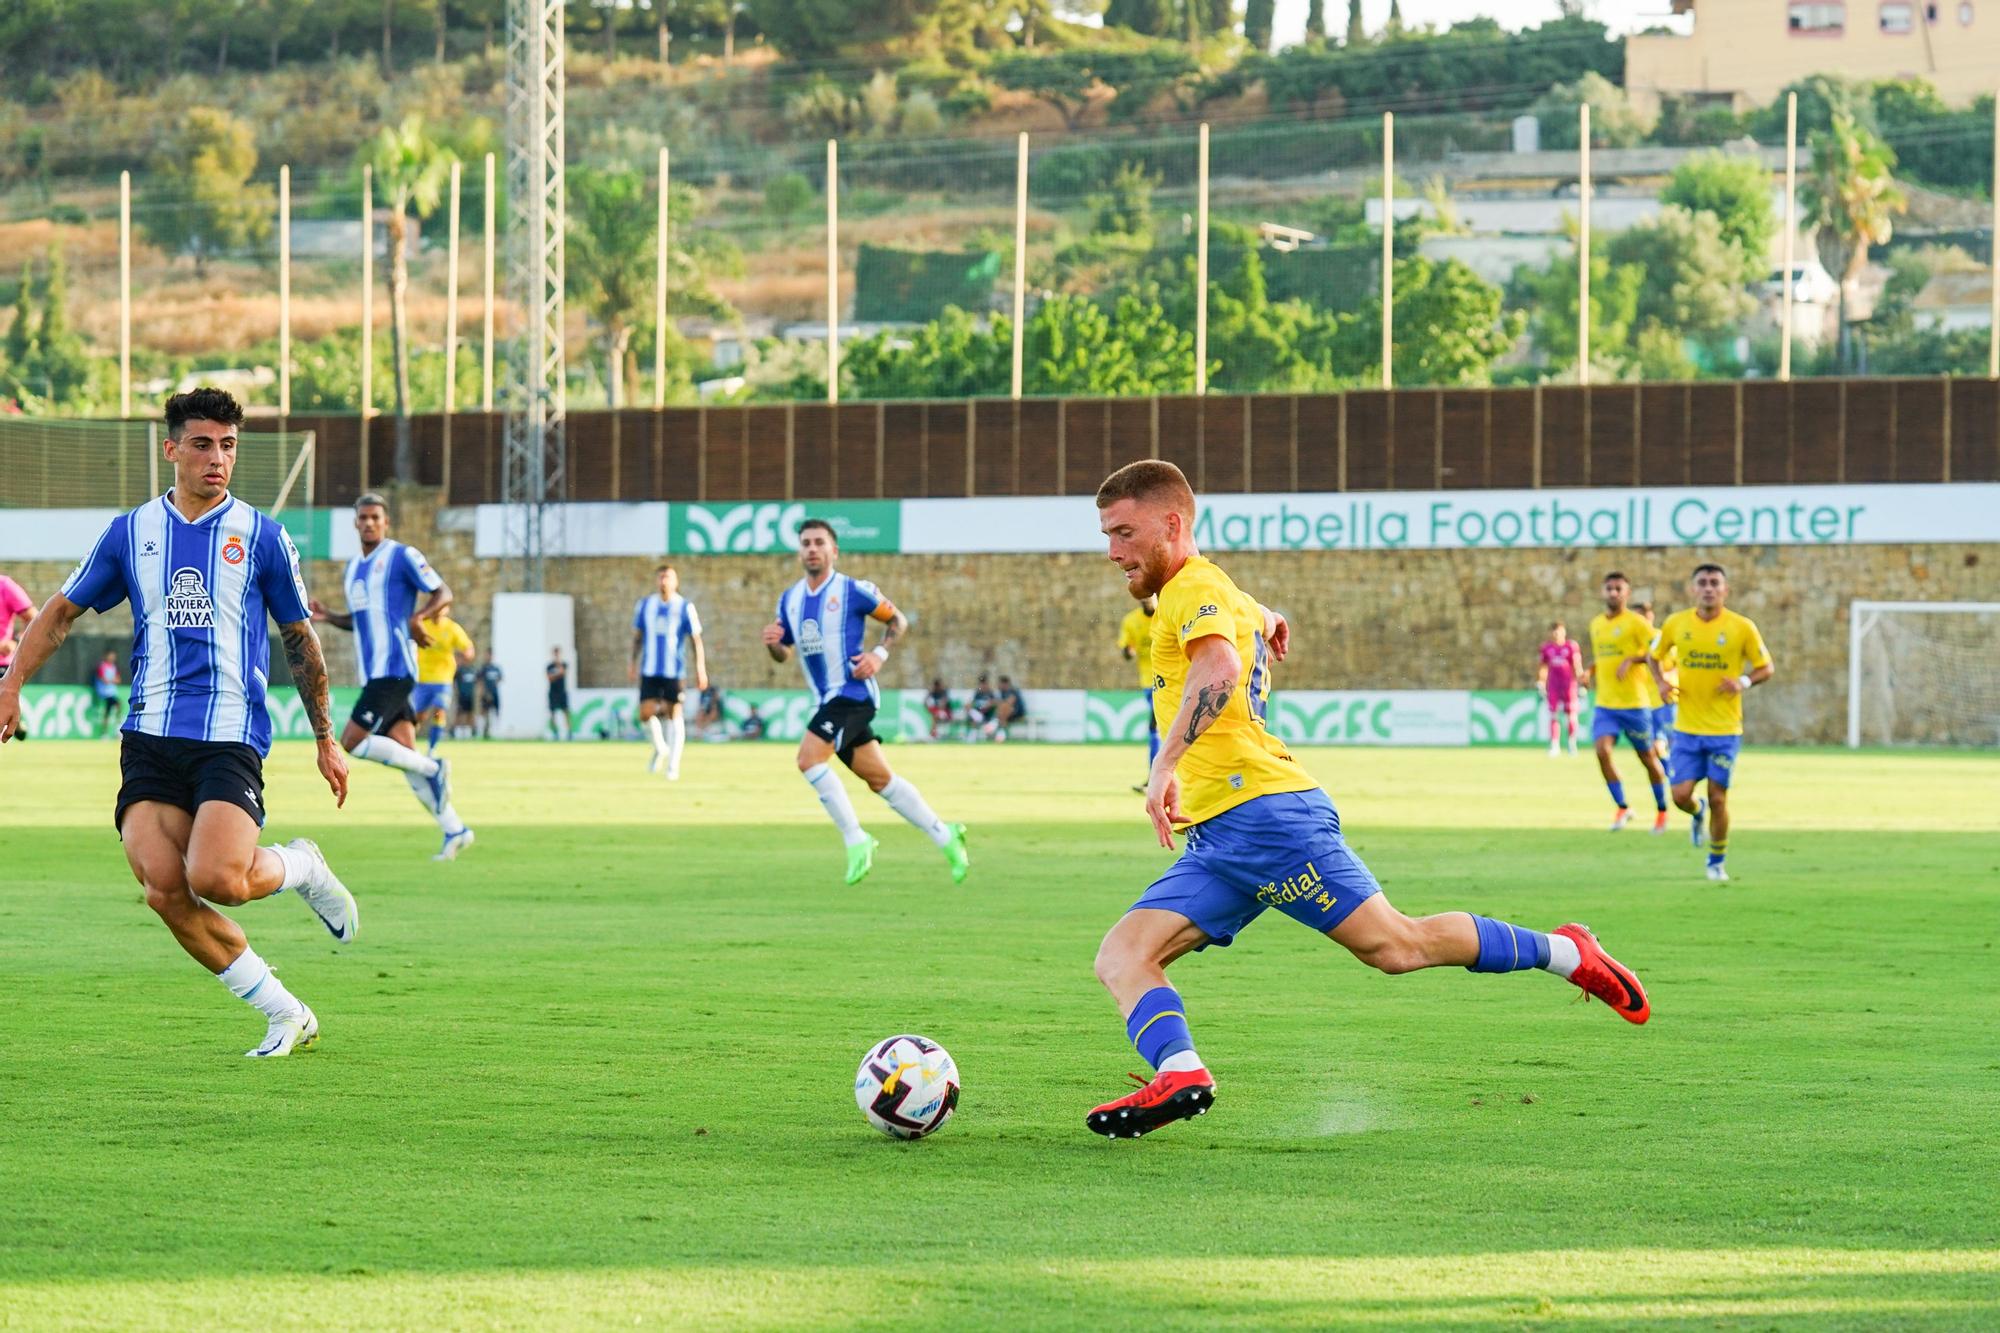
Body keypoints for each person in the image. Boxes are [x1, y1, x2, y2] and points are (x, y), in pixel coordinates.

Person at [1085, 460, 1648, 1140]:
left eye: (1124, 532)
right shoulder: (1211, 586)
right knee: (1122, 954)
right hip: (1221, 834)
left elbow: (1219, 667)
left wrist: (1163, 765)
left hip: (1265, 816)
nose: (1113, 552)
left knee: (1397, 945)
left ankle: (1567, 951)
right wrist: (1270, 617)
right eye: (1108, 535)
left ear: (1172, 524)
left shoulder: (1191, 588)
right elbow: (1247, 617)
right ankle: (1181, 1072)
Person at [0, 388, 357, 1057]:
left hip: (229, 734)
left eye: (227, 445)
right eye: (202, 443)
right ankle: (285, 1012)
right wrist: (11, 682)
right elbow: (60, 612)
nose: (216, 458)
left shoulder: (263, 537)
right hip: (149, 738)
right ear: (171, 450)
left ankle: (301, 866)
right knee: (166, 890)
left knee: (218, 878)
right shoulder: (130, 533)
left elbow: (300, 641)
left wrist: (324, 737)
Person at [763, 517, 970, 886]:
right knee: (880, 780)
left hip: (854, 695)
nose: (812, 549)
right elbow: (784, 654)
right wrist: (773, 644)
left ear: (833, 551)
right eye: (806, 543)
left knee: (807, 759)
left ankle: (857, 838)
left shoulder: (853, 591)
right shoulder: (790, 599)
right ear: (800, 551)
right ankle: (945, 835)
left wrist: (878, 655)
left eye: (819, 543)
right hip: (826, 699)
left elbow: (898, 621)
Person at [309, 492, 473, 861]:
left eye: (375, 518)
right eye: (363, 517)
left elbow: (442, 591)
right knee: (406, 756)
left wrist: (418, 618)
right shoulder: (353, 570)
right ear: (356, 522)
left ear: (385, 523)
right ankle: (454, 828)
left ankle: (436, 767)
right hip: (375, 672)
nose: (368, 523)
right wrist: (330, 616)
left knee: (351, 741)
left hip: (396, 668)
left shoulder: (402, 556)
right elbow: (360, 620)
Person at [1648, 564, 1774, 883]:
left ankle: (1716, 860)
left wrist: (1742, 682)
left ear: (1725, 590)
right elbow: (1653, 656)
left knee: (1720, 796)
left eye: (1715, 583)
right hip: (1687, 729)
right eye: (1702, 583)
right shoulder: (1676, 623)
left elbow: (1766, 667)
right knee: (1679, 796)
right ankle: (1696, 811)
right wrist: (1662, 683)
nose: (1708, 588)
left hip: (1725, 731)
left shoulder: (1742, 627)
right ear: (1692, 589)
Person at [1584, 573, 1670, 834]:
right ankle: (1622, 806)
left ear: (1627, 593)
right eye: (1608, 588)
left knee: (1647, 758)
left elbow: (1659, 651)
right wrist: (1589, 671)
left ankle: (1662, 809)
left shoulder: (1637, 623)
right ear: (1602, 592)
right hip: (1606, 704)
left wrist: (1632, 659)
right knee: (1601, 751)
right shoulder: (1596, 624)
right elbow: (1605, 657)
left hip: (1635, 704)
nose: (1613, 593)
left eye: (1618, 589)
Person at [629, 564, 708, 779]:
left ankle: (673, 765)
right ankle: (660, 748)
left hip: (674, 671)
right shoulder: (645, 606)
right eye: (661, 577)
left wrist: (701, 668)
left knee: (674, 714)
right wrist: (632, 663)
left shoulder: (684, 607)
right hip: (650, 669)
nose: (664, 581)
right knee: (645, 713)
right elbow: (637, 637)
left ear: (676, 581)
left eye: (668, 577)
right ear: (656, 581)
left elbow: (695, 640)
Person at [413, 610, 475, 756]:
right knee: (419, 715)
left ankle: (432, 748)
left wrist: (466, 655)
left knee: (439, 711)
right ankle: (410, 745)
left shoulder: (452, 628)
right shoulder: (422, 625)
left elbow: (468, 648)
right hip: (422, 678)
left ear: (446, 609)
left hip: (443, 679)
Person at [1117, 594, 1159, 791]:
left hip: (1172, 681)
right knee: (1157, 731)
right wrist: (1128, 651)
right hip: (1148, 683)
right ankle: (1157, 777)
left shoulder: (1167, 616)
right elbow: (1126, 650)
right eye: (1143, 600)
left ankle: (1156, 778)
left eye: (1149, 599)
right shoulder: (1131, 621)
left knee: (1155, 728)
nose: (1146, 602)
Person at [1636, 602, 1678, 775]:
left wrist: (1667, 676)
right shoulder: (1633, 643)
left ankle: (1680, 777)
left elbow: (1679, 664)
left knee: (1674, 741)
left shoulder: (1661, 639)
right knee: (1655, 746)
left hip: (1667, 698)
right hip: (1646, 703)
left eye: (1640, 618)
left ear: (1649, 617)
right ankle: (1671, 777)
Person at [1536, 622, 1584, 757]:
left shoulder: (1571, 646)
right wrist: (1540, 682)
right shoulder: (1546, 648)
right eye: (1554, 632)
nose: (1556, 634)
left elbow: (1577, 665)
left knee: (1571, 715)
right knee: (1554, 715)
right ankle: (1554, 745)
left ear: (1564, 632)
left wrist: (1581, 684)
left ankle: (1571, 744)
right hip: (1553, 685)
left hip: (1569, 685)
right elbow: (1543, 667)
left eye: (1559, 631)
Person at [0, 572, 36, 740]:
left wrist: (15, 641)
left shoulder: (5, 586)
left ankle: (12, 716)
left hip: (2, 664)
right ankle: (14, 719)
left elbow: (34, 618)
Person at [983, 674, 1027, 742]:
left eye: (1000, 684)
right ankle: (1000, 734)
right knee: (1003, 710)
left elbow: (1010, 702)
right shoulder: (1002, 692)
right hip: (1006, 714)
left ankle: (994, 723)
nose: (998, 685)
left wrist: (996, 702)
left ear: (1005, 684)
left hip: (1018, 712)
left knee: (1005, 706)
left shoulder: (1013, 690)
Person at [92, 649, 123, 735]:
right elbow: (104, 680)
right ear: (106, 656)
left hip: (111, 693)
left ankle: (108, 731)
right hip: (104, 693)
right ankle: (113, 729)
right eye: (110, 656)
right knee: (117, 705)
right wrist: (113, 680)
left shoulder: (113, 667)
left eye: (113, 656)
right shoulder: (102, 666)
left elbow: (118, 680)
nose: (112, 658)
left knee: (110, 710)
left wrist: (111, 680)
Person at [545, 646, 571, 741]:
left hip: (562, 692)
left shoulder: (563, 664)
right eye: (555, 653)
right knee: (552, 713)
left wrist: (558, 668)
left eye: (558, 653)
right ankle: (555, 733)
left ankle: (569, 733)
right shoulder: (549, 666)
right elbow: (549, 678)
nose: (556, 655)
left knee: (566, 712)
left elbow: (563, 673)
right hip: (553, 692)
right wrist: (558, 674)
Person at [452, 655, 480, 740]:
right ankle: (456, 731)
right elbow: (453, 681)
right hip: (462, 695)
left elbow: (477, 682)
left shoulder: (473, 670)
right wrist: (455, 692)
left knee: (470, 713)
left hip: (470, 696)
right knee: (460, 713)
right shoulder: (460, 670)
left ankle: (471, 732)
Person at [477, 651, 503, 738]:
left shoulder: (496, 668)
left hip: (494, 693)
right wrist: (483, 692)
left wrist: (495, 683)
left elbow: (500, 678)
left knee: (496, 711)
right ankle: (481, 731)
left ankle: (496, 731)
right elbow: (480, 681)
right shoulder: (483, 668)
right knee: (484, 711)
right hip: (486, 693)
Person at [965, 674, 997, 740]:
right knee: (974, 716)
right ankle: (972, 736)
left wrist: (988, 705)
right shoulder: (977, 693)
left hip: (988, 715)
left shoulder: (990, 693)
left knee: (976, 719)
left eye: (984, 684)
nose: (983, 686)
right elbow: (971, 703)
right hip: (978, 714)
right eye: (981, 684)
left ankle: (973, 736)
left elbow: (994, 703)